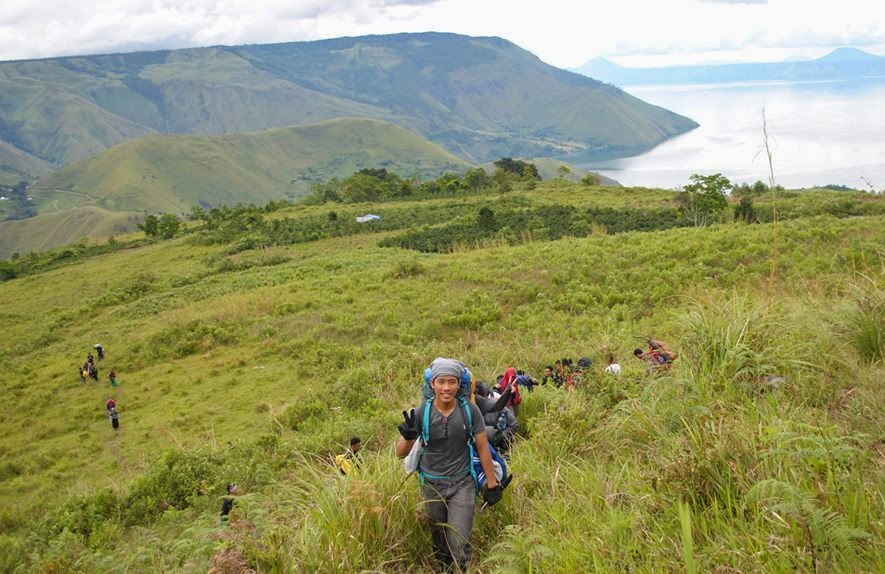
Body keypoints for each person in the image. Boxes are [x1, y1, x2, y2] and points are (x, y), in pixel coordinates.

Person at [395, 358, 505, 571]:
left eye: (452, 382)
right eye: (441, 382)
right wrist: (407, 436)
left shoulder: (469, 412)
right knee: (439, 539)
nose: (446, 387)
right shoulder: (421, 413)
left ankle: (461, 568)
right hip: (432, 485)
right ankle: (443, 568)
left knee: (459, 539)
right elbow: (401, 454)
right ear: (432, 384)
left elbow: (482, 448)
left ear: (458, 385)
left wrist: (492, 484)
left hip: (463, 484)